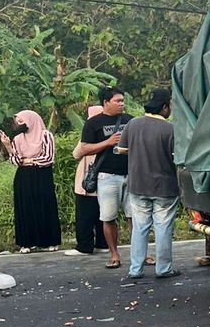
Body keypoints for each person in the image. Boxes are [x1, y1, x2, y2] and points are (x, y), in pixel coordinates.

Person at [118, 88, 180, 281]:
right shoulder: (170, 129)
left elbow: (121, 149)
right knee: (163, 228)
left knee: (140, 227)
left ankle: (135, 270)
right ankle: (164, 269)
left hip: (137, 185)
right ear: (164, 108)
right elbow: (177, 158)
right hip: (165, 186)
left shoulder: (132, 124)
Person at [77, 87, 130, 269]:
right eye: (117, 101)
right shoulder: (94, 123)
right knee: (108, 217)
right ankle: (114, 254)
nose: (122, 104)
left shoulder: (129, 120)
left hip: (131, 174)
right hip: (107, 175)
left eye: (123, 100)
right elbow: (83, 149)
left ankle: (142, 253)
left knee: (136, 217)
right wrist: (107, 142)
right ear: (105, 102)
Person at [0, 110, 61, 253]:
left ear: (31, 121)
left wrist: (29, 160)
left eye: (22, 121)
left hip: (42, 176)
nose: (19, 125)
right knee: (25, 208)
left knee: (45, 206)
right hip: (23, 177)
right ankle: (27, 242)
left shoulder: (45, 135)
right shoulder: (18, 138)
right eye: (18, 122)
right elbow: (16, 161)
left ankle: (49, 241)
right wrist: (8, 146)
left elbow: (48, 158)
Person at [64, 105, 110, 256]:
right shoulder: (113, 132)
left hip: (88, 179)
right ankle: (103, 244)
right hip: (108, 177)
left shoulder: (90, 132)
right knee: (104, 213)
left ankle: (85, 246)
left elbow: (77, 153)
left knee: (84, 214)